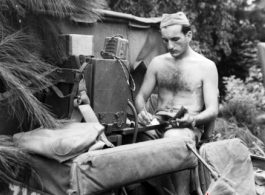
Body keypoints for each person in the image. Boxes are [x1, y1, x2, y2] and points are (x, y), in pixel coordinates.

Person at [135, 12, 219, 143]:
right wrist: (142, 113)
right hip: (157, 123)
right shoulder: (157, 63)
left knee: (172, 137)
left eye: (175, 39)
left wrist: (193, 120)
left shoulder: (206, 66)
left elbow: (213, 110)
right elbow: (140, 96)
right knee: (131, 134)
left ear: (188, 36)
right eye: (165, 40)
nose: (169, 46)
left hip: (187, 127)